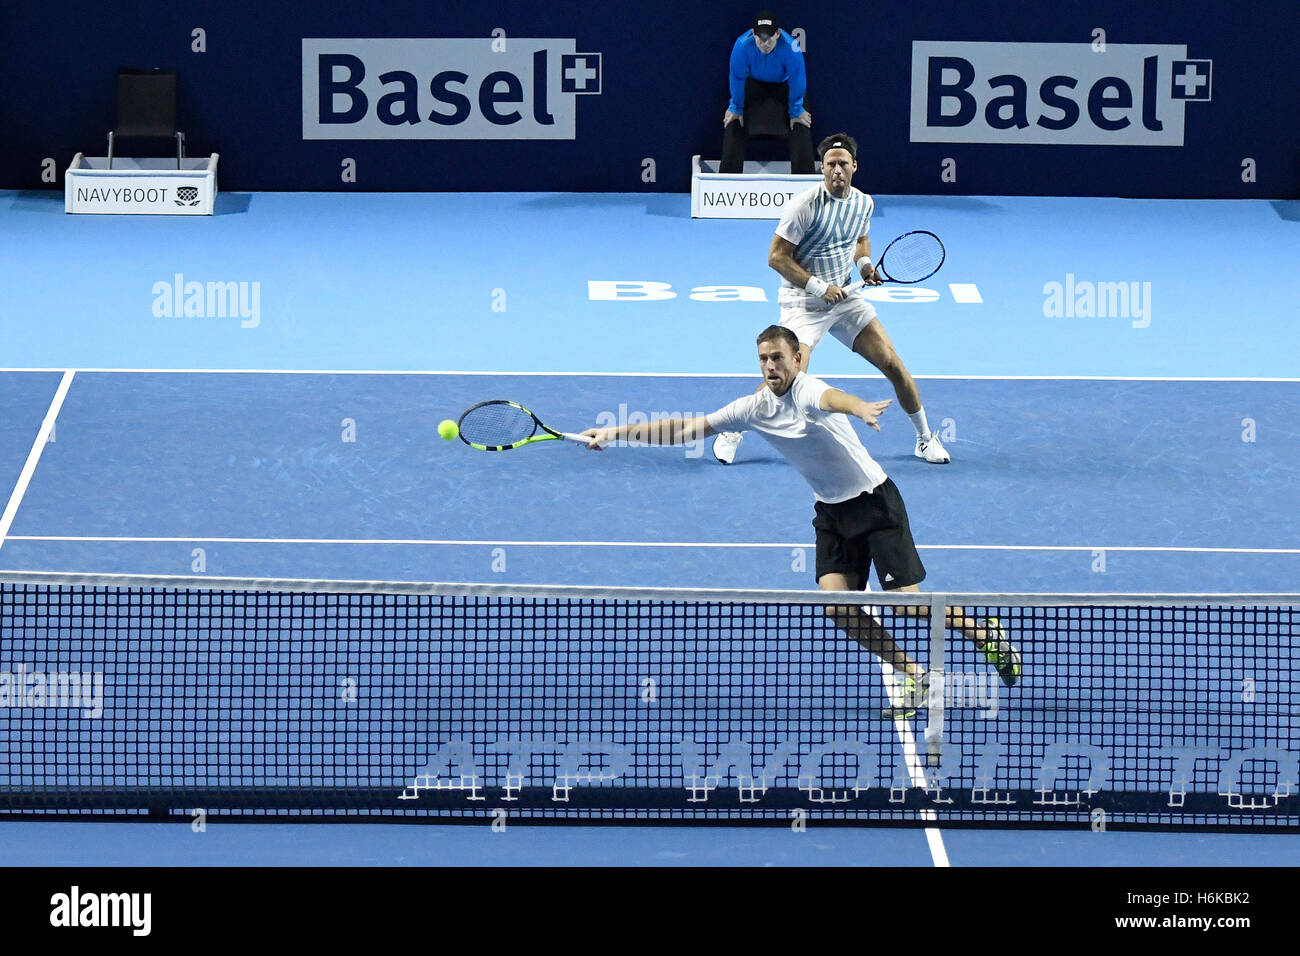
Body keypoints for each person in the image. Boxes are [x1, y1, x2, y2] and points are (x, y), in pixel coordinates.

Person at [582, 325, 1021, 717]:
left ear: (797, 359)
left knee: (908, 605)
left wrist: (858, 408)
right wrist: (615, 432)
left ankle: (986, 634)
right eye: (763, 359)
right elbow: (686, 428)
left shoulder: (808, 391)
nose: (771, 365)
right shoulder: (753, 407)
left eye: (778, 357)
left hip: (874, 503)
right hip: (830, 511)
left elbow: (833, 398)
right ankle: (916, 677)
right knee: (838, 609)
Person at [712, 133, 951, 467]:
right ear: (821, 168)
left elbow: (861, 240)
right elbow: (776, 258)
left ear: (854, 166)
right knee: (787, 378)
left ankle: (925, 439)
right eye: (830, 164)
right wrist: (817, 288)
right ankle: (733, 429)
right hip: (803, 303)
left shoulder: (863, 203)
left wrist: (865, 265)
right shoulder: (804, 206)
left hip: (845, 298)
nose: (837, 170)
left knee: (893, 364)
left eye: (843, 163)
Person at [721, 12, 813, 174]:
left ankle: (804, 184)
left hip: (783, 89)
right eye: (760, 38)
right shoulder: (742, 45)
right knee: (733, 121)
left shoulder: (791, 46)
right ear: (753, 34)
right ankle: (728, 181)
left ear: (777, 34)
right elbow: (737, 78)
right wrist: (736, 107)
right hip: (753, 88)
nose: (765, 44)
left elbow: (797, 80)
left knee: (801, 122)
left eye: (769, 38)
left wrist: (796, 110)